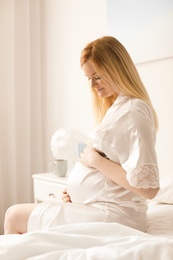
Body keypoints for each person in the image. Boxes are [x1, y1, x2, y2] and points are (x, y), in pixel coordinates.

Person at [4, 36, 160, 234]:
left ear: (116, 69)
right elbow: (115, 174)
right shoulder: (118, 107)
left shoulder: (133, 112)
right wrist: (79, 197)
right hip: (100, 208)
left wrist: (96, 161)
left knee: (14, 215)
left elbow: (148, 188)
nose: (93, 85)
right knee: (15, 216)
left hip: (113, 216)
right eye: (89, 78)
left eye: (98, 76)